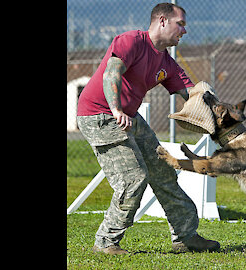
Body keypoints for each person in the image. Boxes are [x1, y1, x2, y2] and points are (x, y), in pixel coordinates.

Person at [76, 2, 220, 255]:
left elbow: (193, 95)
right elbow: (112, 74)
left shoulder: (167, 62)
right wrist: (117, 110)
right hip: (99, 113)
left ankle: (186, 237)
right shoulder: (131, 41)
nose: (184, 31)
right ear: (163, 21)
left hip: (128, 115)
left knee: (164, 171)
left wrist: (214, 104)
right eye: (181, 24)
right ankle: (106, 242)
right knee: (133, 178)